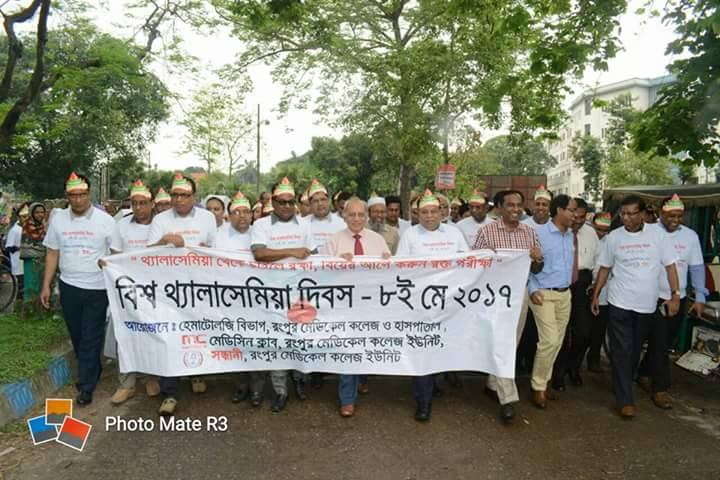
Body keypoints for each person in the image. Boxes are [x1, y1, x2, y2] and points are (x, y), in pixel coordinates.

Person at [591, 195, 680, 419]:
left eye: (632, 214)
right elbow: (604, 268)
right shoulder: (614, 238)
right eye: (624, 214)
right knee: (622, 350)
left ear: (642, 214)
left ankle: (623, 381)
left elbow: (670, 267)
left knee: (632, 351)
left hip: (646, 306)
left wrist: (675, 295)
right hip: (619, 302)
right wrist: (596, 294)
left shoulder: (658, 235)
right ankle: (625, 400)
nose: (627, 218)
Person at [40, 173, 115, 406]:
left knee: (91, 336)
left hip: (97, 287)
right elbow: (53, 252)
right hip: (69, 286)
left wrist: (109, 263)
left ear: (89, 194)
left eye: (82, 195)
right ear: (67, 197)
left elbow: (116, 254)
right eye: (73, 196)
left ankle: (86, 386)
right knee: (78, 335)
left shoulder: (106, 221)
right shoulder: (58, 219)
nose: (78, 200)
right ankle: (93, 368)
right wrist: (46, 285)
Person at [147, 173, 218, 415]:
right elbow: (148, 253)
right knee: (169, 338)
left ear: (194, 197)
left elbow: (216, 252)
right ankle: (170, 392)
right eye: (175, 195)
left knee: (196, 334)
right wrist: (163, 242)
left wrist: (196, 249)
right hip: (168, 290)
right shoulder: (160, 220)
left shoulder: (208, 218)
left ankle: (196, 373)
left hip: (199, 287)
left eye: (184, 196)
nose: (178, 200)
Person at [396, 189, 469, 422]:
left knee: (440, 346)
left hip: (449, 302)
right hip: (420, 303)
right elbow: (401, 267)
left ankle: (433, 382)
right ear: (417, 214)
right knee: (422, 350)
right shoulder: (409, 235)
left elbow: (468, 263)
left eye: (433, 212)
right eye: (424, 212)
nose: (429, 216)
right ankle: (423, 401)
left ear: (441, 213)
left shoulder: (455, 234)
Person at [474, 190, 544, 424]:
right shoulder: (486, 232)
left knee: (510, 342)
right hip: (493, 296)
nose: (515, 209)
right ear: (500, 208)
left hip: (519, 295)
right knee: (502, 342)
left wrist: (537, 259)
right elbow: (476, 266)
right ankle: (508, 399)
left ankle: (493, 383)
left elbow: (535, 270)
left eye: (518, 205)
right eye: (510, 205)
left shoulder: (529, 233)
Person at [251, 177, 315, 412]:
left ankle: (300, 381)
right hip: (272, 294)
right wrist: (292, 252)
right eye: (282, 202)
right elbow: (260, 254)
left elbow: (314, 256)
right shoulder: (261, 225)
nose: (287, 206)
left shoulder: (306, 225)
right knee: (278, 343)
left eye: (290, 202)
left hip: (302, 294)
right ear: (273, 202)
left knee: (301, 341)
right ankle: (280, 391)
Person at [636, 194, 707, 409]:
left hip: (678, 297)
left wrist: (700, 295)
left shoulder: (690, 237)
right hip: (651, 297)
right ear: (660, 214)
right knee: (659, 343)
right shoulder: (648, 232)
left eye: (679, 216)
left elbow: (696, 267)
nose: (675, 220)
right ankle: (661, 388)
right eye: (670, 216)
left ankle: (644, 372)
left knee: (664, 342)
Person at [325, 197, 391, 417]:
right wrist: (336, 262)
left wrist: (386, 262)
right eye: (351, 214)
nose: (356, 219)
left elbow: (391, 273)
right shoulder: (333, 241)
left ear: (367, 216)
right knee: (347, 349)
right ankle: (347, 399)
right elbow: (321, 275)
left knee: (363, 347)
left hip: (370, 303)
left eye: (360, 215)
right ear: (344, 216)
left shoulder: (378, 240)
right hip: (343, 305)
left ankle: (362, 378)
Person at [109, 180, 159, 405]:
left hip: (155, 291)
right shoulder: (121, 226)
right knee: (125, 334)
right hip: (127, 290)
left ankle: (151, 377)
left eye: (143, 203)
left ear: (152, 203)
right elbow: (115, 256)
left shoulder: (161, 225)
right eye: (135, 203)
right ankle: (126, 383)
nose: (139, 207)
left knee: (151, 334)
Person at [527, 194, 576, 410]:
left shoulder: (570, 236)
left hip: (565, 294)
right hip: (543, 294)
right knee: (549, 340)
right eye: (572, 210)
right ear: (559, 211)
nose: (575, 215)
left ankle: (544, 382)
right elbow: (525, 265)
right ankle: (537, 387)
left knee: (557, 342)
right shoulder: (539, 234)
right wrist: (532, 288)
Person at [552, 198, 600, 391]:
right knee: (560, 335)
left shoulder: (590, 233)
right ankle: (557, 374)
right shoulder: (558, 232)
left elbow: (598, 259)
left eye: (581, 217)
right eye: (574, 215)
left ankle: (574, 367)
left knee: (583, 334)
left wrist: (595, 285)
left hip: (583, 284)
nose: (577, 220)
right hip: (561, 283)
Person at [215, 191, 255, 403]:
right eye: (236, 212)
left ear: (252, 214)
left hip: (258, 298)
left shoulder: (260, 233)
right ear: (229, 215)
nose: (242, 216)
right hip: (230, 298)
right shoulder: (218, 235)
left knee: (258, 342)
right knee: (236, 342)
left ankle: (257, 388)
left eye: (246, 211)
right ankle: (240, 385)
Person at [587, 212, 612, 373]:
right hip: (585, 288)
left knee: (599, 329)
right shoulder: (587, 238)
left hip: (604, 293)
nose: (601, 233)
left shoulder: (611, 242)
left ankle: (594, 358)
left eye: (605, 230)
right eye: (598, 229)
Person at [306, 179, 346, 252]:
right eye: (315, 201)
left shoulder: (342, 224)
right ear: (310, 204)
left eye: (323, 199)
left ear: (328, 201)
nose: (320, 204)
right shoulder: (303, 224)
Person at [4, 204, 26, 300]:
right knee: (21, 286)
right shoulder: (15, 230)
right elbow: (8, 247)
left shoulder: (28, 228)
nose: (26, 219)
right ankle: (18, 305)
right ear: (18, 217)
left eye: (27, 216)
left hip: (27, 263)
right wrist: (20, 248)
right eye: (23, 216)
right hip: (19, 263)